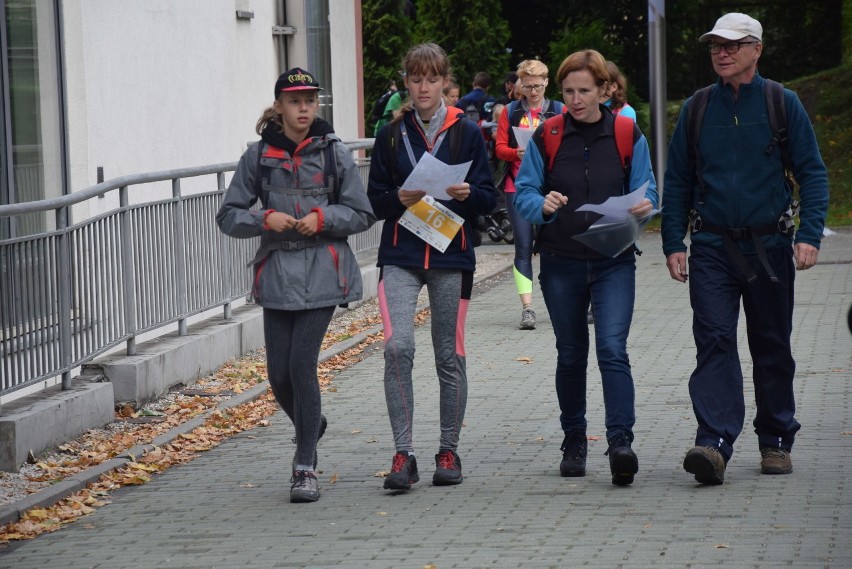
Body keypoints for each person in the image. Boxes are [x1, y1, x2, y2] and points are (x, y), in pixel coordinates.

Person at [661, 13, 829, 485]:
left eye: (733, 45)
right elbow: (677, 181)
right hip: (712, 246)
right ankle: (713, 442)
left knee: (771, 344)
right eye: (716, 45)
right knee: (714, 339)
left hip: (770, 246)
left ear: (756, 50)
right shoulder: (696, 108)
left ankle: (776, 438)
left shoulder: (781, 102)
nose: (722, 52)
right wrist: (674, 241)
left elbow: (812, 173)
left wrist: (809, 234)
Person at [216, 67, 376, 503]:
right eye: (295, 100)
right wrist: (263, 218)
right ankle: (312, 423)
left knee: (302, 364)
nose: (304, 107)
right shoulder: (257, 156)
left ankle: (305, 465)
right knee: (277, 374)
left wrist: (322, 218)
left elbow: (362, 214)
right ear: (280, 106)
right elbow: (228, 216)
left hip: (325, 272)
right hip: (277, 275)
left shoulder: (334, 153)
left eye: (310, 100)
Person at [513, 49, 658, 486]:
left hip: (614, 261)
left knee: (613, 349)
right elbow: (523, 194)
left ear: (605, 90)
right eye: (569, 91)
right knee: (572, 353)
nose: (575, 100)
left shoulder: (628, 133)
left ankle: (620, 443)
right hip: (561, 262)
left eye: (584, 91)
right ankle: (574, 439)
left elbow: (647, 192)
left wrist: (645, 209)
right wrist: (543, 204)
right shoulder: (548, 135)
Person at [368, 43, 497, 492]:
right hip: (401, 254)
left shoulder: (468, 131)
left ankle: (448, 449)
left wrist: (467, 194)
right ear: (406, 81)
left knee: (449, 354)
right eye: (416, 79)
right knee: (397, 348)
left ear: (445, 81)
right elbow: (374, 200)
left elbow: (489, 197)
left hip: (450, 254)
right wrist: (396, 199)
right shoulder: (391, 133)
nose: (423, 87)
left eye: (432, 79)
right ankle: (403, 453)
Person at [494, 59, 564, 330]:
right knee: (523, 247)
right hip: (517, 188)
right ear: (519, 84)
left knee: (554, 248)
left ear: (546, 82)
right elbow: (499, 147)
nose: (533, 91)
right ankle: (527, 308)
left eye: (537, 85)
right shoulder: (511, 112)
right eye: (527, 85)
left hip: (551, 188)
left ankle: (559, 302)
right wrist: (516, 153)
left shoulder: (559, 110)